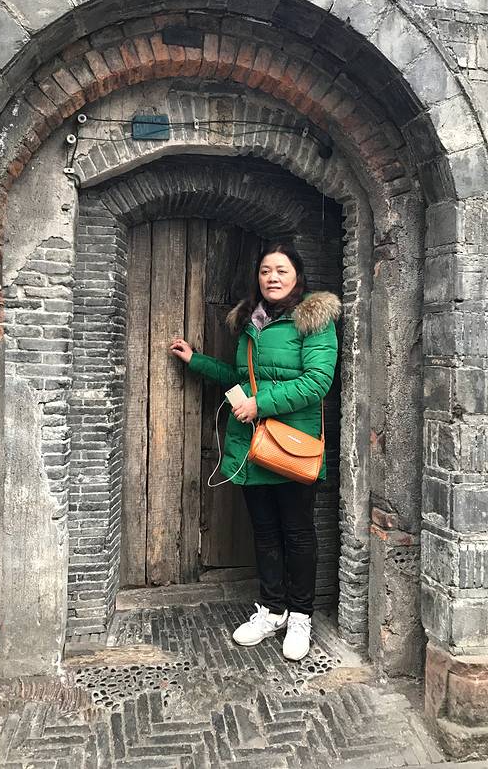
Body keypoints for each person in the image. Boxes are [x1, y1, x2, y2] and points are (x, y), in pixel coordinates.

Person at [170, 243, 341, 661]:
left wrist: (259, 404)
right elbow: (242, 379)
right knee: (264, 533)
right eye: (265, 270)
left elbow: (317, 382)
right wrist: (197, 361)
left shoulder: (314, 321)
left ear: (297, 275)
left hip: (291, 446)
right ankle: (272, 610)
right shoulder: (252, 321)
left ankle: (300, 616)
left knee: (297, 533)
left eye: (281, 270)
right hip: (252, 445)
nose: (272, 277)